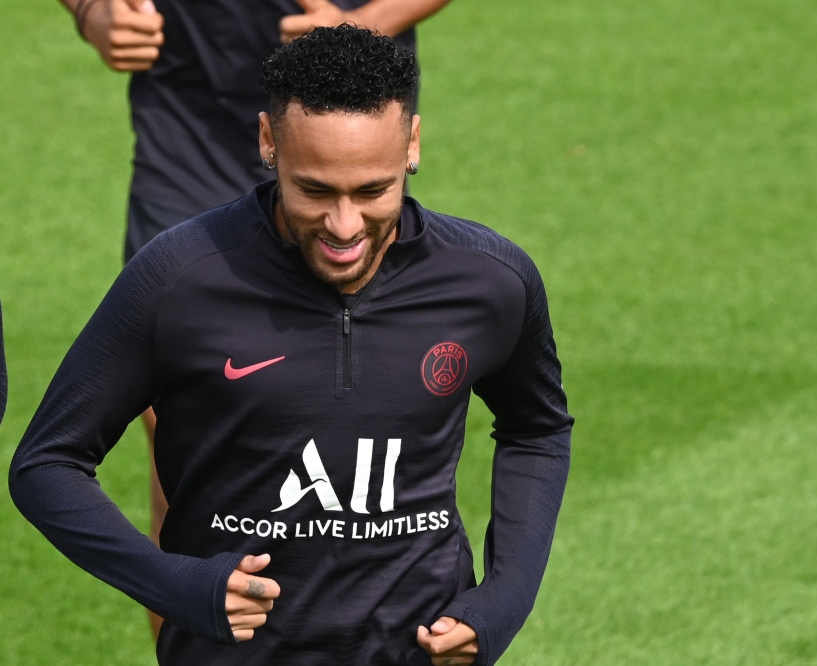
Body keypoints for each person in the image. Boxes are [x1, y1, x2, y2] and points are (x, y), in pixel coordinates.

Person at [10, 25, 572, 666]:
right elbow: (46, 464)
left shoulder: (489, 280)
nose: (344, 226)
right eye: (314, 191)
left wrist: (500, 604)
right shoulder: (179, 278)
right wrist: (177, 587)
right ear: (268, 142)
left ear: (412, 145)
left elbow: (537, 428)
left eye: (372, 191)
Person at [61, 0, 452, 634]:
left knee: (348, 443)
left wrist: (375, 22)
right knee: (186, 450)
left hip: (344, 120)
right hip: (187, 117)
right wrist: (89, 10)